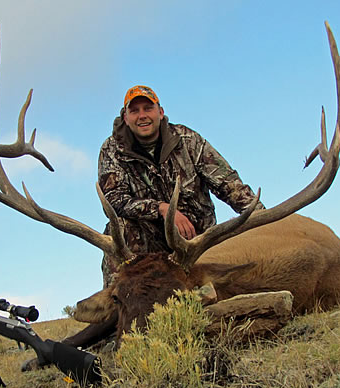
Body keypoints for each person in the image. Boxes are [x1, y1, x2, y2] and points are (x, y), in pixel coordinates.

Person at [98, 85, 264, 286]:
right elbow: (114, 200)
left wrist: (262, 219)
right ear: (126, 117)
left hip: (194, 239)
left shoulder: (187, 140)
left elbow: (228, 184)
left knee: (241, 260)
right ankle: (119, 301)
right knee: (118, 229)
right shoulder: (112, 150)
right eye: (134, 111)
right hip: (147, 247)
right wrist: (162, 208)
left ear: (160, 112)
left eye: (147, 109)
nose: (142, 116)